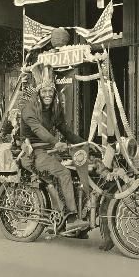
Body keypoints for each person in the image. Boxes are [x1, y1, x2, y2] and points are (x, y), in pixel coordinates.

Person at [20, 64, 88, 231]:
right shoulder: (29, 109)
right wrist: (55, 142)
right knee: (63, 173)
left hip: (50, 150)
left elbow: (65, 130)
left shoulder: (54, 110)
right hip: (33, 152)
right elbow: (38, 130)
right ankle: (72, 218)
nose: (48, 94)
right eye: (44, 91)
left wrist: (84, 143)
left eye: (51, 91)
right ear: (38, 93)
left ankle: (62, 218)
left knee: (72, 171)